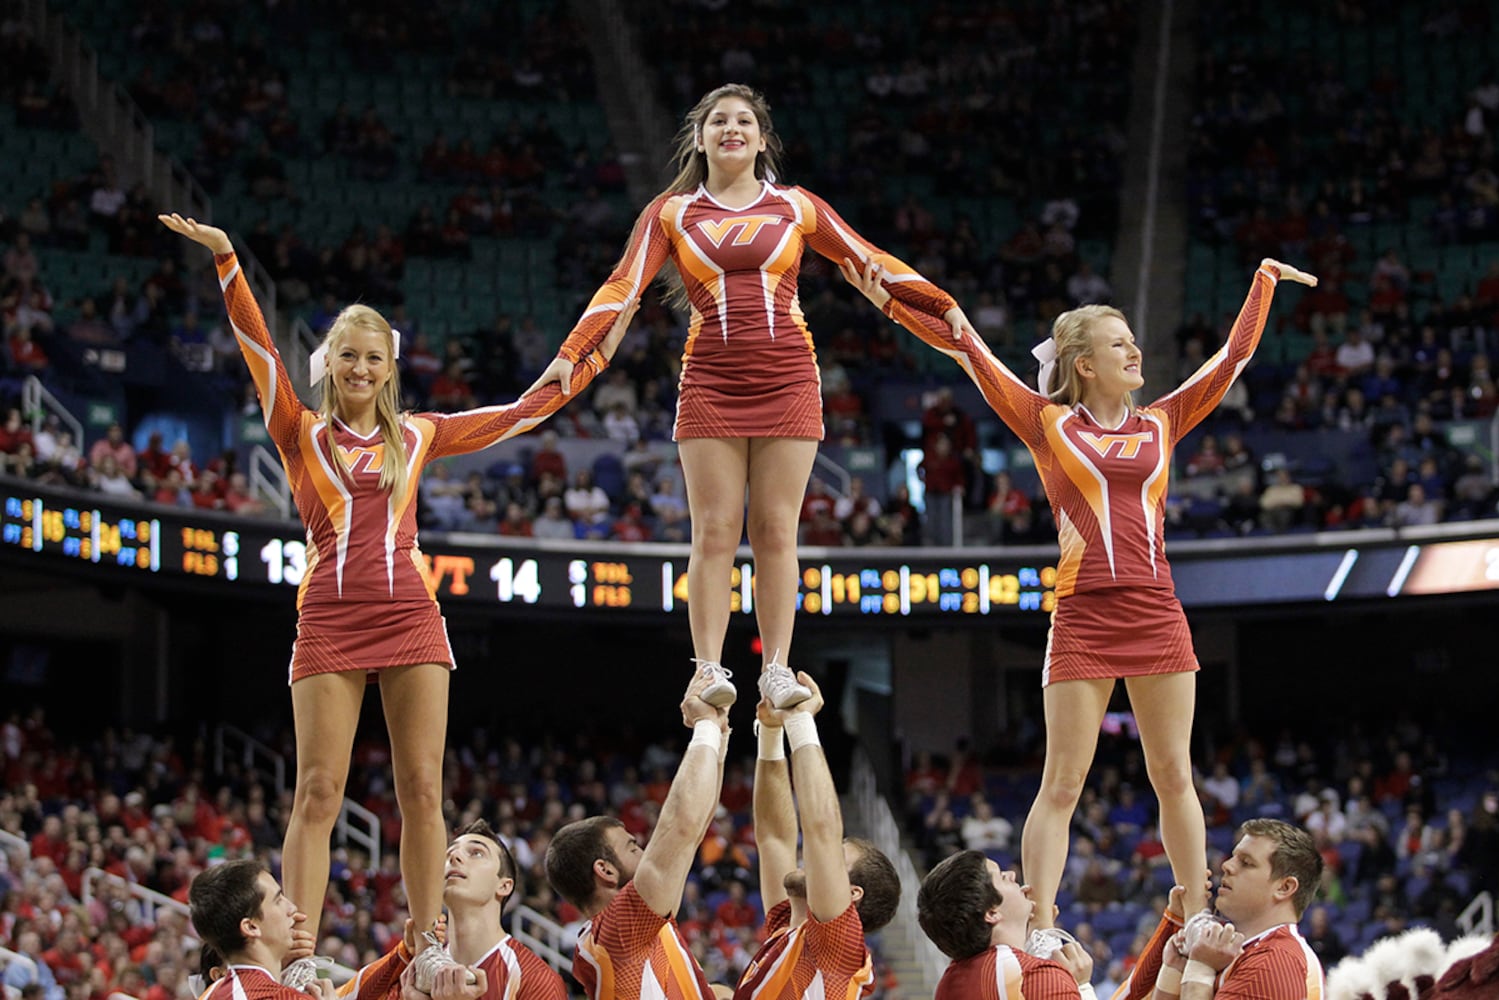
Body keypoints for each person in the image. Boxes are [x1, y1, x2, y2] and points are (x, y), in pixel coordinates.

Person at [160, 212, 638, 988]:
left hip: (410, 615)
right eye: (347, 354)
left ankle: (427, 944)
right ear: (331, 364)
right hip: (328, 618)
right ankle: (304, 958)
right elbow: (259, 354)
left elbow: (517, 413)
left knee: (423, 790)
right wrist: (226, 262)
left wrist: (582, 365)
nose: (359, 367)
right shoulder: (299, 431)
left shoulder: (417, 435)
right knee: (318, 790)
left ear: (388, 368)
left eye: (372, 357)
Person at [840, 256, 1317, 954]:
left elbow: (1233, 356)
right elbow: (965, 343)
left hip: (1156, 610)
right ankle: (1039, 925)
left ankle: (1195, 912)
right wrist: (889, 297)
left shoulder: (1163, 421)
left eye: (1132, 340)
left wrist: (1264, 281)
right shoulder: (1048, 424)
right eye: (1119, 342)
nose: (1135, 350)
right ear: (1084, 364)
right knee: (1061, 782)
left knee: (1173, 773)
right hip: (1083, 616)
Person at [528, 83, 973, 710]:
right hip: (708, 382)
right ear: (701, 137)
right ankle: (707, 668)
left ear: (762, 139)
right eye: (718, 121)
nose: (731, 129)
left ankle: (778, 670)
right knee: (712, 531)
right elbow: (622, 287)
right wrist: (571, 353)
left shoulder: (797, 207)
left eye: (743, 121)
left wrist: (943, 306)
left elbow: (870, 260)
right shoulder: (671, 213)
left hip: (790, 378)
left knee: (774, 531)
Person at [543, 670, 731, 1000]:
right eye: (632, 846)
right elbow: (681, 826)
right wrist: (704, 727)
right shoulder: (617, 931)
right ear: (605, 870)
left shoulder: (638, 926)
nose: (645, 850)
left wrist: (719, 737)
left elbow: (695, 828)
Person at [734, 675, 901, 999]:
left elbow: (822, 829)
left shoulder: (838, 944)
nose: (812, 856)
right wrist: (770, 732)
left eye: (835, 859)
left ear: (851, 895)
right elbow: (773, 836)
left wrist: (800, 722)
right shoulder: (787, 929)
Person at [1112, 819, 1325, 1000]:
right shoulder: (1231, 948)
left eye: (1246, 862)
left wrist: (1200, 969)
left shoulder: (1275, 963)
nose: (1227, 866)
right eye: (1233, 857)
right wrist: (1173, 970)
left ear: (1284, 887)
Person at [187, 858, 414, 1000]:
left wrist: (403, 953)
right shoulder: (270, 996)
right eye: (278, 900)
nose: (292, 908)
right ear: (251, 926)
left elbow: (352, 994)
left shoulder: (214, 993)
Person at [389, 820, 565, 1000]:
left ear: (504, 886)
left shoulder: (537, 979)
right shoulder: (415, 973)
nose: (454, 857)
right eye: (449, 853)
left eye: (476, 853)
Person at [916, 851, 1094, 999]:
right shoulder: (1036, 976)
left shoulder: (947, 986)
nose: (1012, 875)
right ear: (992, 913)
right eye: (1002, 877)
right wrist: (1080, 986)